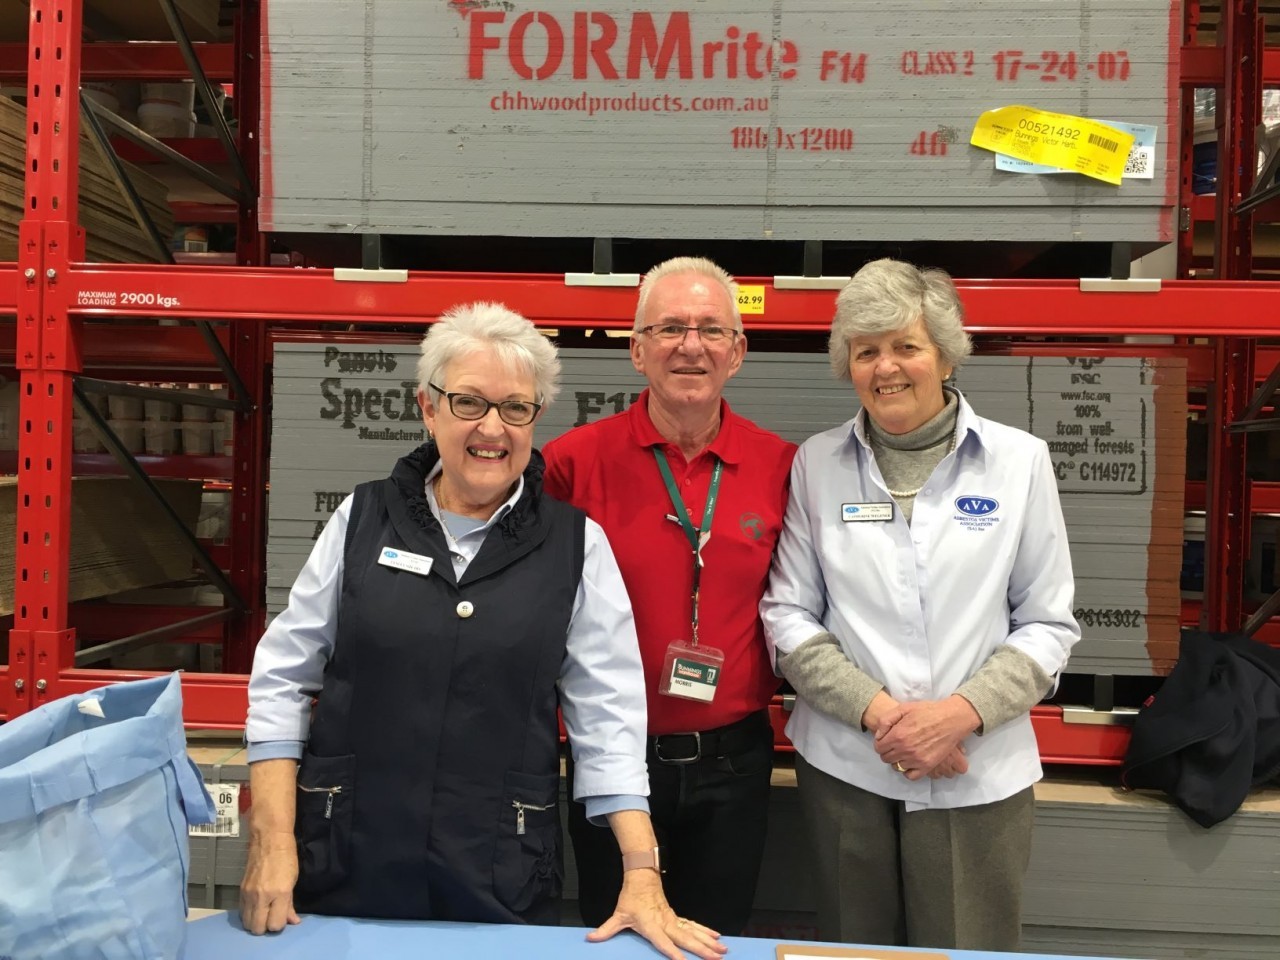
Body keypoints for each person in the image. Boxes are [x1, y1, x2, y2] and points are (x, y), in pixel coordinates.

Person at [240, 302, 724, 960]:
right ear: (428, 407)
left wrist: (641, 873)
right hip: (345, 858)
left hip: (497, 868)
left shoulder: (575, 546)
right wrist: (273, 842)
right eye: (469, 402)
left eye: (516, 408)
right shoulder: (364, 518)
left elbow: (608, 720)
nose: (491, 428)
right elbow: (281, 681)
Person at [761, 258, 1080, 951]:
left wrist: (954, 718)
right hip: (849, 766)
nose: (887, 367)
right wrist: (886, 717)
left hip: (977, 771)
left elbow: (1048, 622)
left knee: (968, 947)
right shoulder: (817, 464)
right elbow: (787, 617)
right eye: (866, 350)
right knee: (854, 949)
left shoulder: (1018, 462)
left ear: (945, 352)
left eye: (906, 346)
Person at [543, 257, 796, 936]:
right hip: (613, 759)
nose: (691, 346)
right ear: (636, 350)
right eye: (671, 328)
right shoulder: (571, 463)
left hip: (734, 764)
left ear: (738, 353)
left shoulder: (782, 467)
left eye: (712, 329)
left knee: (718, 943)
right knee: (617, 938)